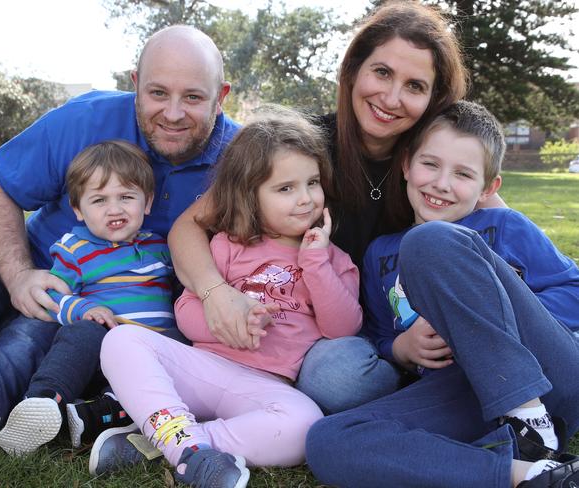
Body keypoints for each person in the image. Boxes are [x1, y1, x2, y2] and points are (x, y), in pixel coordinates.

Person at [0, 25, 237, 465]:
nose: (172, 113)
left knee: (25, 347)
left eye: (192, 97)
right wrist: (17, 275)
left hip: (105, 316)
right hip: (30, 258)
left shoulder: (241, 158)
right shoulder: (85, 119)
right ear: (134, 85)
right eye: (157, 93)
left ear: (220, 94)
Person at [166, 0, 493, 414]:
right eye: (382, 72)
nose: (391, 98)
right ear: (353, 70)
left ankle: (430, 387)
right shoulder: (300, 145)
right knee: (335, 379)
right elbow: (187, 227)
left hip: (404, 326)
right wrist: (215, 294)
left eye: (415, 86)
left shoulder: (434, 161)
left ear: (434, 98)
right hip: (317, 335)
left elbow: (497, 221)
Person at [305, 101, 579, 488]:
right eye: (430, 164)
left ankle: (530, 423)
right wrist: (401, 348)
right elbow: (378, 334)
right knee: (328, 440)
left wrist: (493, 311)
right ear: (406, 165)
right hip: (464, 394)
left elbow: (573, 290)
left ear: (489, 187)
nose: (441, 183)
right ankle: (531, 472)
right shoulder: (381, 253)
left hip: (547, 378)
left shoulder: (503, 226)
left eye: (463, 173)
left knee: (429, 241)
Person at [91, 108, 362, 487]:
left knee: (305, 425)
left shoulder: (334, 259)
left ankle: (181, 445)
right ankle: (184, 444)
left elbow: (344, 327)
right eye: (285, 188)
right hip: (203, 369)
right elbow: (186, 311)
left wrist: (316, 263)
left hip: (267, 385)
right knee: (122, 340)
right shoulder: (228, 245)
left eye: (312, 183)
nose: (305, 199)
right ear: (250, 195)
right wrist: (231, 321)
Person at [0, 140, 175, 456]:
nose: (115, 209)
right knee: (81, 333)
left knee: (174, 353)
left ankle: (88, 418)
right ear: (79, 209)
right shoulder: (76, 249)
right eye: (99, 200)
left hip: (150, 358)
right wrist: (85, 308)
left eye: (126, 197)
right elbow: (50, 295)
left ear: (146, 202)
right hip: (100, 350)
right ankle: (43, 401)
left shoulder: (161, 247)